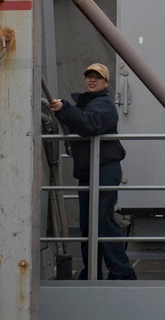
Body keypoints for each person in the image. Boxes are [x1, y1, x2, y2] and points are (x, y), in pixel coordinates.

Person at [49, 63, 137, 280]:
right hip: (90, 170)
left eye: (98, 77)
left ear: (106, 83)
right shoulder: (88, 103)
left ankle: (123, 274)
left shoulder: (104, 104)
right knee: (90, 226)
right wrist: (71, 143)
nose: (92, 80)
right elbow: (82, 127)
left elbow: (91, 124)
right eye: (89, 76)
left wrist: (66, 110)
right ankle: (92, 273)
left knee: (103, 222)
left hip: (105, 169)